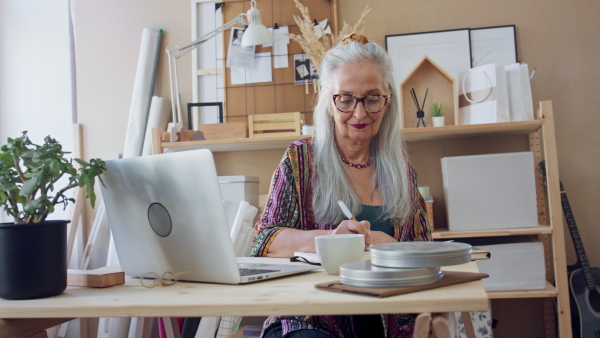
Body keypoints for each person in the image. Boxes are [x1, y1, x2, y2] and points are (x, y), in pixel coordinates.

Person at [250, 33, 431, 338]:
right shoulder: (300, 160)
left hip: (392, 323)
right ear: (328, 103)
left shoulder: (404, 173)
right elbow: (264, 241)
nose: (359, 113)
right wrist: (330, 240)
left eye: (372, 99)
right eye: (345, 99)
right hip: (311, 319)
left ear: (387, 103)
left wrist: (383, 246)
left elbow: (426, 256)